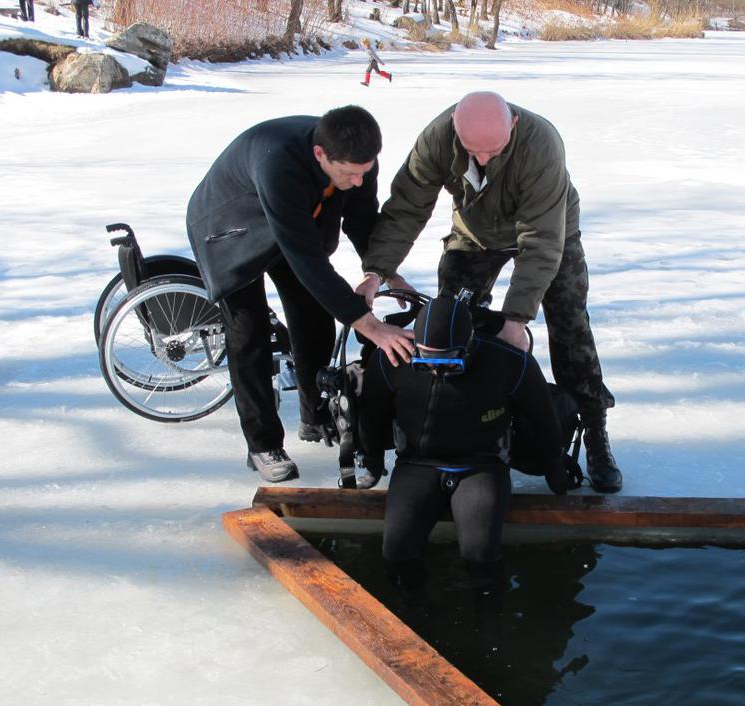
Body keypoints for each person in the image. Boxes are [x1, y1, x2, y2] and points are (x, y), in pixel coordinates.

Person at [356, 91, 622, 493]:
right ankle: (460, 426)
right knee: (451, 325)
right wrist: (377, 271)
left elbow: (541, 242)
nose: (481, 159)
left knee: (570, 323)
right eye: (471, 151)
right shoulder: (437, 139)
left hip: (551, 231)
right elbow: (407, 208)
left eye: (492, 151)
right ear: (455, 129)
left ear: (513, 125)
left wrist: (515, 321)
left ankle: (593, 427)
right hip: (476, 234)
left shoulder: (540, 144)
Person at [186, 107, 414, 482]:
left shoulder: (356, 158)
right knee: (249, 332)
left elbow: (362, 221)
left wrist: (387, 272)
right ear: (320, 154)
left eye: (365, 170)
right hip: (229, 227)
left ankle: (316, 414)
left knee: (314, 316)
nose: (358, 181)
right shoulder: (280, 166)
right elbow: (308, 261)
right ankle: (262, 445)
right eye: (349, 174)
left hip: (290, 219)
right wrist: (372, 327)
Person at [358, 295, 572, 588]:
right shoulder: (391, 358)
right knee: (397, 552)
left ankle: (487, 611)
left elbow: (543, 419)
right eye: (425, 363)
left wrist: (554, 464)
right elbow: (371, 415)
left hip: (481, 465)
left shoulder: (509, 362)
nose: (437, 371)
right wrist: (372, 459)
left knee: (480, 554)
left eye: (450, 364)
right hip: (417, 464)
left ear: (469, 346)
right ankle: (412, 607)